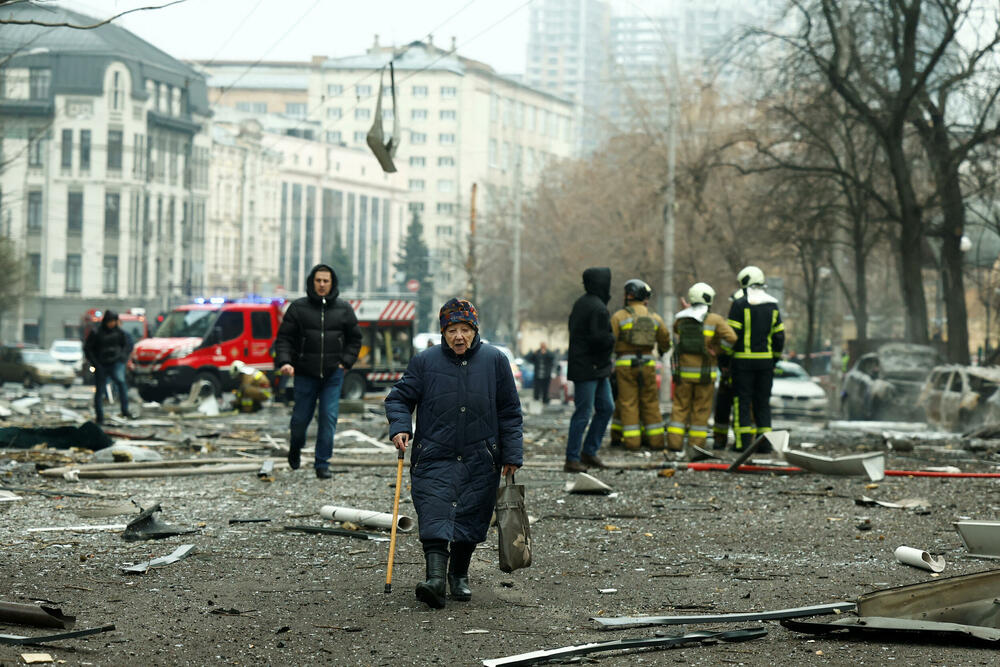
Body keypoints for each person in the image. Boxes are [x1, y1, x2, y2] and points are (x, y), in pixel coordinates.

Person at [384, 298, 522, 609]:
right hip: (435, 452)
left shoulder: (495, 360)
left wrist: (511, 454)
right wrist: (400, 427)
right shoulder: (425, 362)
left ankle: (458, 574)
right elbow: (398, 398)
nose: (458, 336)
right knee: (434, 510)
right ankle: (434, 579)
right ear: (443, 333)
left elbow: (510, 411)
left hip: (481, 454)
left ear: (475, 330)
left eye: (464, 329)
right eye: (451, 330)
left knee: (472, 514)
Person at [273, 263, 363, 479]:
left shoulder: (344, 309)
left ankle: (322, 463)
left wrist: (345, 362)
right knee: (300, 420)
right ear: (312, 282)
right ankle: (295, 446)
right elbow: (284, 339)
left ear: (332, 284)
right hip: (304, 373)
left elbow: (355, 339)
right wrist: (285, 361)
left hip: (333, 374)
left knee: (328, 417)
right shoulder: (298, 308)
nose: (322, 284)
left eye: (326, 281)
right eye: (318, 280)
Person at [668, 282, 737, 456]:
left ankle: (674, 444)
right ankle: (696, 445)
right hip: (705, 376)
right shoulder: (714, 320)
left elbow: (677, 329)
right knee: (701, 410)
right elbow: (732, 338)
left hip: (683, 374)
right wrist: (718, 349)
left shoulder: (681, 318)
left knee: (680, 407)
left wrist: (685, 311)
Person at [609, 279, 672, 451]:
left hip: (625, 364)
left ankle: (632, 443)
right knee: (650, 402)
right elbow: (666, 341)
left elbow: (609, 340)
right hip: (648, 364)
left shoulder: (619, 316)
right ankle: (656, 442)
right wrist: (660, 352)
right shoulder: (654, 317)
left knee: (628, 402)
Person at [726, 266, 784, 453]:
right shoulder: (772, 305)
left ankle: (743, 443)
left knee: (742, 402)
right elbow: (779, 337)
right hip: (765, 363)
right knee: (762, 402)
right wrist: (773, 359)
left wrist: (725, 358)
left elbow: (732, 336)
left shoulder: (740, 304)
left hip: (742, 362)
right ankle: (765, 444)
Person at [566, 267, 616, 472]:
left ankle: (588, 451)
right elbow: (600, 339)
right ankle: (572, 458)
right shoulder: (597, 308)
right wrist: (611, 340)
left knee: (606, 407)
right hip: (590, 368)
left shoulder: (582, 303)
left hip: (593, 368)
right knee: (584, 413)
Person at [83, 310, 133, 424]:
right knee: (100, 389)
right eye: (110, 321)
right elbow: (88, 348)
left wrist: (122, 358)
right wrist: (95, 363)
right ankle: (100, 416)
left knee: (121, 384)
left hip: (116, 363)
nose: (112, 324)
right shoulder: (96, 333)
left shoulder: (120, 333)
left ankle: (125, 410)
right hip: (101, 364)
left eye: (113, 321)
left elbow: (126, 346)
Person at [712, 289, 744, 449]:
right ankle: (737, 440)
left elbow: (727, 344)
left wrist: (722, 361)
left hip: (734, 372)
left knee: (727, 407)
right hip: (735, 372)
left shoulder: (734, 321)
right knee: (731, 407)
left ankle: (721, 440)